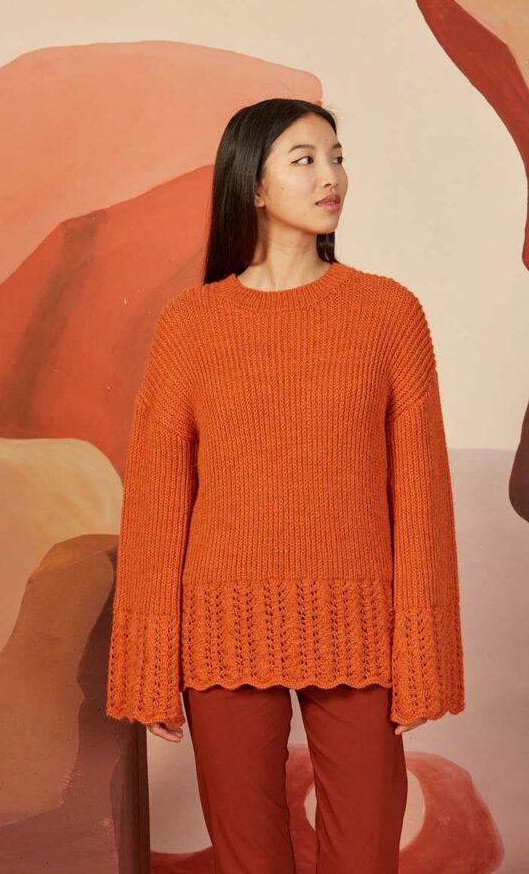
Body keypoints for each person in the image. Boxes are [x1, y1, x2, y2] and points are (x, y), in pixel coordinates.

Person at [106, 97, 465, 872]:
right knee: (247, 859)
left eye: (337, 157)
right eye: (305, 159)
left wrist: (422, 652)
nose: (331, 176)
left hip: (362, 628)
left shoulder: (389, 314)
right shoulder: (191, 324)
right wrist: (150, 663)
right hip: (220, 624)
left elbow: (422, 497)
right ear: (255, 187)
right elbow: (159, 503)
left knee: (364, 855)